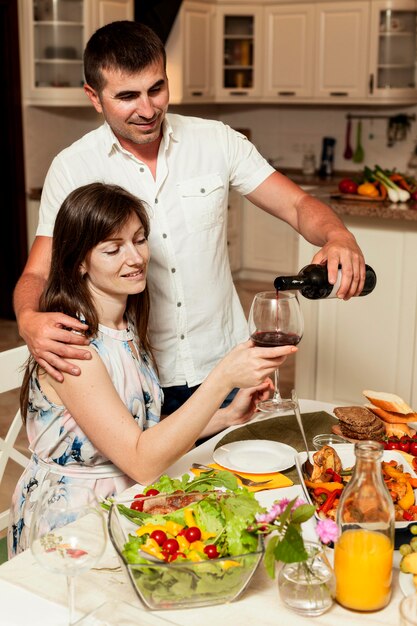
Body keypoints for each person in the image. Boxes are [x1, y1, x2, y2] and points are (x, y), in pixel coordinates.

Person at [13, 21, 366, 414]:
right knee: (152, 474)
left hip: (226, 364)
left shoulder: (216, 141)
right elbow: (38, 274)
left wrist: (338, 236)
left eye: (156, 89)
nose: (147, 109)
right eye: (127, 96)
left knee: (245, 473)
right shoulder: (72, 167)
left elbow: (298, 205)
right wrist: (28, 318)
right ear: (94, 97)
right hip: (135, 375)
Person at [8, 182, 293, 557]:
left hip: (126, 501)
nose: (135, 258)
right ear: (78, 262)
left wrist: (225, 416)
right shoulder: (74, 347)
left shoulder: (123, 328)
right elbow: (142, 460)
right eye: (113, 249)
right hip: (72, 527)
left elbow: (137, 433)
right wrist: (222, 376)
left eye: (139, 240)